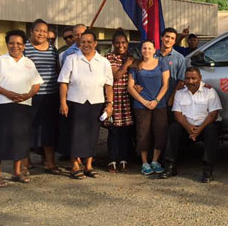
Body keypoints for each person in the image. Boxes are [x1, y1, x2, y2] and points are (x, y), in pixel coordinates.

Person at [0, 30, 43, 187]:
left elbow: (37, 83)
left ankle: (17, 172)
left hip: (22, 106)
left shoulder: (29, 63)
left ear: (24, 46)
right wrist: (8, 93)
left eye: (19, 43)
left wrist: (29, 94)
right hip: (1, 106)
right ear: (7, 44)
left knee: (19, 139)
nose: (15, 46)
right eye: (11, 43)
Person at [58, 30, 114, 180]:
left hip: (96, 102)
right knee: (75, 134)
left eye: (89, 42)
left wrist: (109, 105)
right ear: (79, 44)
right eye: (83, 42)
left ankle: (88, 165)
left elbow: (108, 86)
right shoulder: (71, 59)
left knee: (92, 134)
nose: (86, 44)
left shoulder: (103, 62)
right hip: (75, 102)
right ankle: (75, 165)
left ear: (95, 43)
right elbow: (63, 82)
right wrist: (63, 102)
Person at [163, 67, 223, 183]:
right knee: (173, 129)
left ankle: (207, 171)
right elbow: (177, 114)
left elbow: (213, 114)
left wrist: (199, 129)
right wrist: (189, 129)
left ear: (200, 78)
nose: (190, 81)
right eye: (187, 78)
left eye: (193, 78)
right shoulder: (180, 93)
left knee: (212, 130)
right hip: (187, 127)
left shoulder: (209, 91)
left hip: (205, 126)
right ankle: (170, 167)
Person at [24, 19, 62, 175]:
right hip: (30, 96)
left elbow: (57, 70)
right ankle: (25, 162)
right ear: (32, 31)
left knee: (49, 129)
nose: (41, 34)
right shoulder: (24, 48)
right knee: (28, 129)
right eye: (38, 30)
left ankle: (50, 163)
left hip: (51, 95)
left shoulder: (53, 49)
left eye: (44, 31)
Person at [127, 40, 170, 176]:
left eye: (149, 48)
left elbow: (166, 85)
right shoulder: (135, 65)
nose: (147, 51)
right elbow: (130, 87)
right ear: (141, 50)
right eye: (144, 48)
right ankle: (144, 162)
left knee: (160, 131)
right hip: (141, 105)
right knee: (142, 133)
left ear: (154, 49)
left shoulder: (162, 63)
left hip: (159, 104)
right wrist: (144, 101)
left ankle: (155, 161)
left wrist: (156, 100)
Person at [105, 29, 134, 173]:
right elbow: (116, 75)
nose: (120, 45)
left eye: (123, 42)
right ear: (113, 44)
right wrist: (127, 64)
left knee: (125, 131)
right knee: (114, 130)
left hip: (127, 99)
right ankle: (112, 159)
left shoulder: (131, 56)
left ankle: (123, 159)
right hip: (114, 98)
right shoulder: (109, 57)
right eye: (117, 43)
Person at [154, 27, 186, 114]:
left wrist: (172, 98)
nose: (169, 40)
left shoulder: (179, 58)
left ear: (175, 41)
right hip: (152, 99)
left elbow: (181, 81)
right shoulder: (152, 55)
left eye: (172, 38)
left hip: (170, 101)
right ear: (161, 37)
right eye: (167, 37)